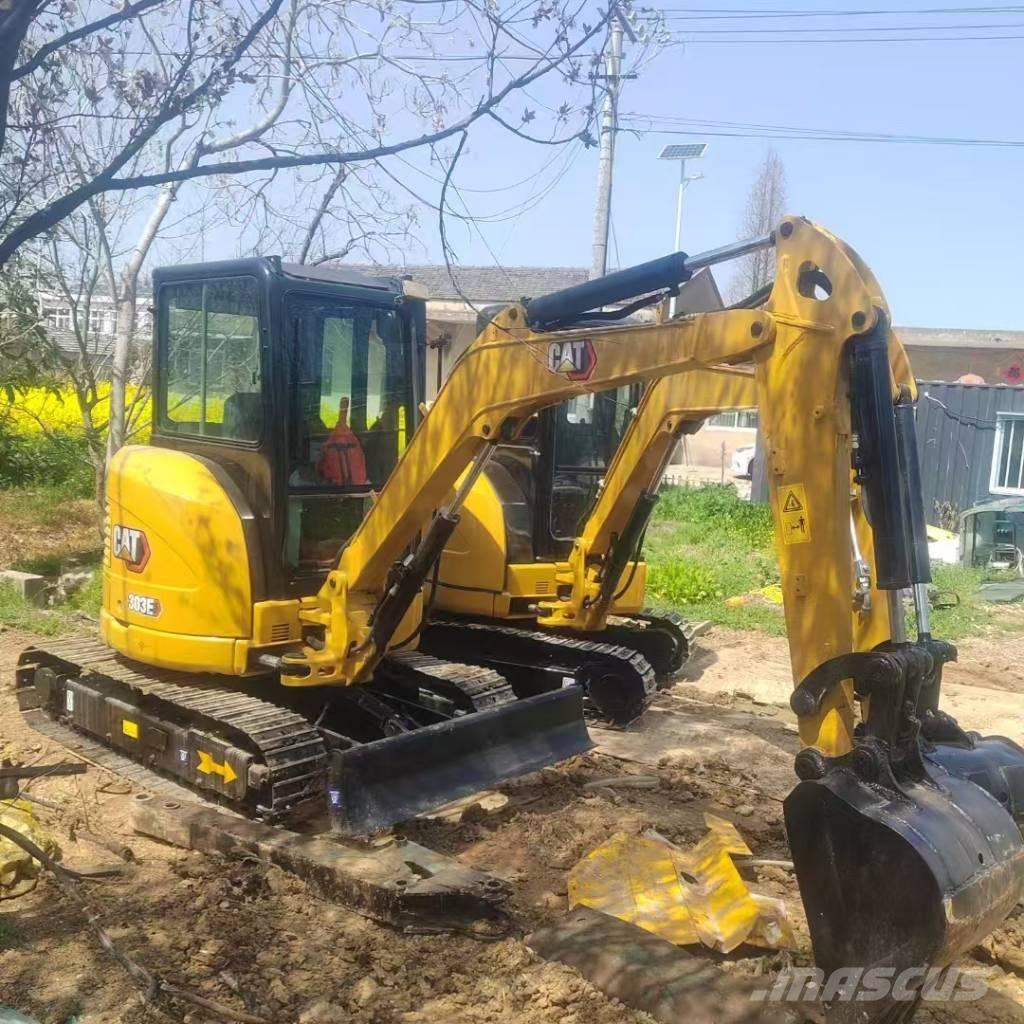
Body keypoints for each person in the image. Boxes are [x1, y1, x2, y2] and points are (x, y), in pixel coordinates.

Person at [317, 396, 368, 485]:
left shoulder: (332, 441)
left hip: (332, 489)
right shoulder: (355, 443)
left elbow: (320, 468)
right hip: (358, 489)